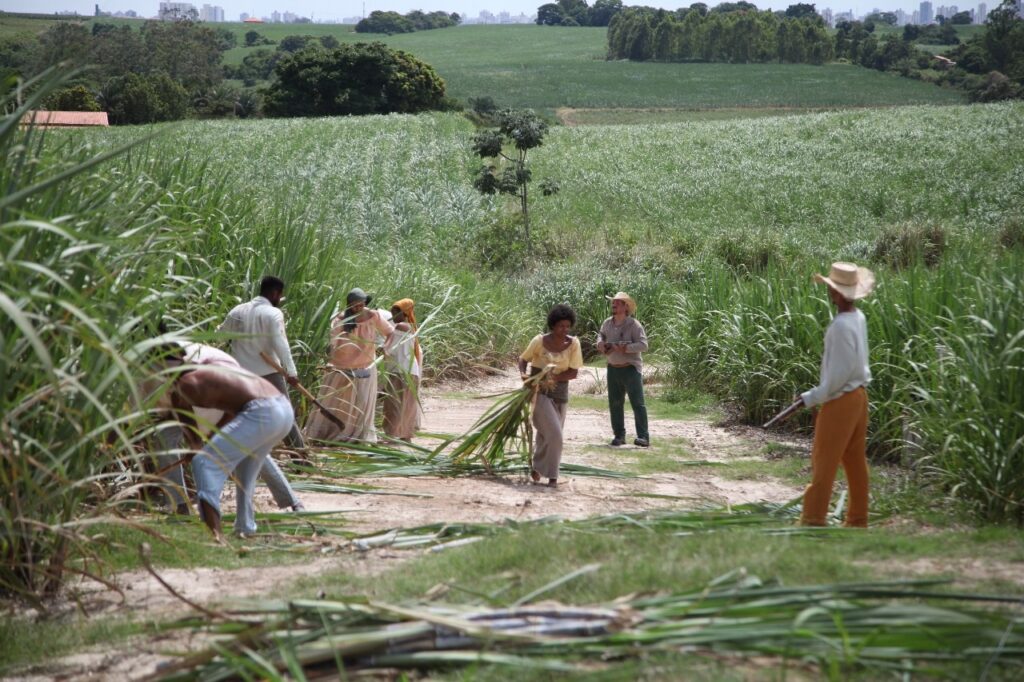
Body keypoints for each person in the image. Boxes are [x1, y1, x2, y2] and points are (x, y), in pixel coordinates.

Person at [146, 342, 306, 514]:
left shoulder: (202, 366)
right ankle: (180, 504)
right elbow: (180, 407)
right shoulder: (167, 359)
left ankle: (291, 502)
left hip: (221, 398)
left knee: (248, 448)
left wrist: (208, 438)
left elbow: (221, 398)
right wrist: (195, 443)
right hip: (200, 395)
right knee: (164, 438)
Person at [799, 262, 875, 528]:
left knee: (824, 459)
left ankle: (813, 518)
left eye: (833, 289)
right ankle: (858, 519)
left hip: (841, 400)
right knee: (854, 461)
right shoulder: (858, 318)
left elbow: (836, 380)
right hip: (859, 397)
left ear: (841, 293)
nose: (830, 293)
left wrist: (808, 398)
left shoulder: (842, 326)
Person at [217, 275, 305, 450]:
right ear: (274, 293)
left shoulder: (237, 311)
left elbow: (220, 335)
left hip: (242, 375)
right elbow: (281, 344)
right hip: (269, 373)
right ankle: (301, 456)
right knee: (285, 415)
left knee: (243, 417)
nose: (279, 299)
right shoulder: (273, 313)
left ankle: (235, 456)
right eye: (280, 296)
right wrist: (292, 373)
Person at [305, 288, 394, 443]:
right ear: (349, 305)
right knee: (338, 400)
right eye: (354, 306)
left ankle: (359, 434)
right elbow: (334, 342)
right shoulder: (340, 319)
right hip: (342, 367)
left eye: (361, 305)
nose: (358, 308)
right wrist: (330, 360)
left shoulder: (373, 316)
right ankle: (332, 431)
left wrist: (385, 348)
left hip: (365, 366)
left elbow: (390, 332)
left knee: (362, 400)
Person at [518, 304, 584, 487]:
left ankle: (537, 469)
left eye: (567, 326)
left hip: (560, 395)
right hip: (538, 393)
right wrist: (524, 375)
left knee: (546, 434)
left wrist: (553, 376)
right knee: (555, 434)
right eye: (561, 326)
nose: (564, 330)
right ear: (553, 325)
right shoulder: (539, 341)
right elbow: (523, 359)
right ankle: (553, 476)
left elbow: (573, 373)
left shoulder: (573, 344)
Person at [596, 292, 650, 448]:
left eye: (618, 302)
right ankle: (619, 436)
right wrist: (600, 343)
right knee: (615, 403)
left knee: (638, 403)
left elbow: (644, 345)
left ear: (626, 306)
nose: (614, 304)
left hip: (631, 369)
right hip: (613, 368)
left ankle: (643, 437)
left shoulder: (634, 325)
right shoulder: (607, 323)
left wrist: (625, 348)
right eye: (613, 302)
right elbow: (601, 336)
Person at [382, 298, 423, 442]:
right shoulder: (411, 327)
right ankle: (406, 435)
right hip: (410, 371)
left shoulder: (401, 327)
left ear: (403, 313)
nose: (392, 317)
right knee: (406, 404)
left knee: (393, 403)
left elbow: (388, 348)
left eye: (394, 313)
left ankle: (391, 435)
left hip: (400, 371)